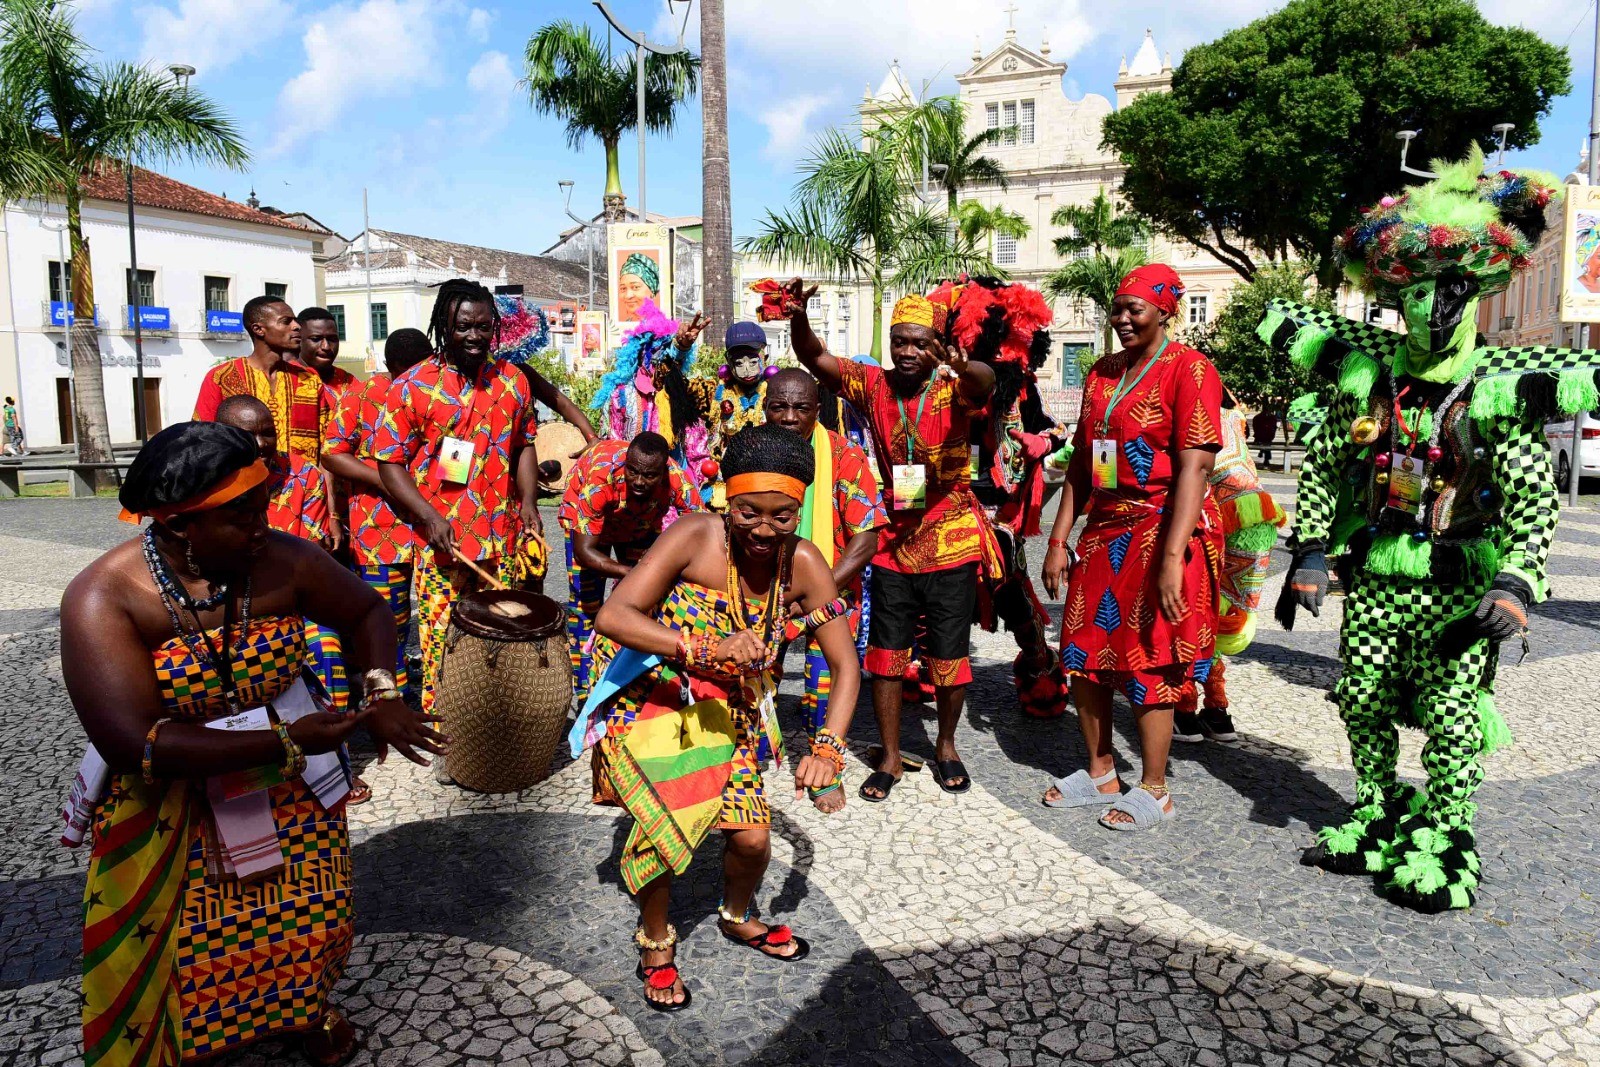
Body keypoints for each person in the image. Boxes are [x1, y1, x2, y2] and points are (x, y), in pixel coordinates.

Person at [62, 420, 443, 1067]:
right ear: (182, 525)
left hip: (286, 788)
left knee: (302, 914)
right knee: (183, 935)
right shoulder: (105, 596)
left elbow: (366, 612)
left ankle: (301, 1009)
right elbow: (137, 744)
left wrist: (380, 692)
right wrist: (282, 738)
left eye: (263, 506)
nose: (263, 526)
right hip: (169, 802)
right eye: (243, 516)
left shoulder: (279, 561)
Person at [1265, 150, 1574, 911]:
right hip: (1374, 579)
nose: (1432, 314)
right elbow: (1327, 464)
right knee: (1362, 695)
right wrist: (1309, 549)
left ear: (1471, 297)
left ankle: (1445, 830)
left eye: (1450, 296)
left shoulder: (1495, 389)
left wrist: (1517, 582)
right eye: (1418, 297)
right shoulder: (1368, 377)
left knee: (1450, 710)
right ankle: (1375, 808)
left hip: (1456, 584)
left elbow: (1536, 498)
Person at [572, 422, 861, 1012]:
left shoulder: (803, 563)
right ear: (727, 501)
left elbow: (845, 663)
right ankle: (655, 941)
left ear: (799, 512)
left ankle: (736, 915)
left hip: (736, 713)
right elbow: (616, 616)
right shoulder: (693, 535)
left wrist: (828, 750)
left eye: (781, 517)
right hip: (660, 700)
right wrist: (703, 649)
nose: (763, 529)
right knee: (662, 835)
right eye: (748, 512)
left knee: (753, 841)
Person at [787, 278, 999, 800]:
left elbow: (984, 383)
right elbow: (816, 358)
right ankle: (887, 754)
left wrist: (961, 362)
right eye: (899, 340)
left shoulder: (953, 386)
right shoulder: (873, 384)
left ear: (935, 346)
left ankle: (946, 746)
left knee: (949, 656)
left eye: (918, 342)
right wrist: (797, 315)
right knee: (885, 654)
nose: (907, 351)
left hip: (950, 533)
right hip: (894, 543)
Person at [1039, 264, 1224, 831]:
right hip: (1104, 532)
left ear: (1165, 311)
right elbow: (1081, 467)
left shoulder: (1190, 371)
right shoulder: (1102, 374)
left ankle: (1155, 787)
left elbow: (1195, 468)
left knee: (1151, 656)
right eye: (1116, 308)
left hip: (1164, 529)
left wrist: (1172, 559)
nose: (1121, 319)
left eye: (1134, 309)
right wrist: (1057, 537)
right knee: (1085, 654)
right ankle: (1100, 772)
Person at [372, 279, 540, 720]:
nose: (474, 336)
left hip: (501, 541)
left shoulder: (513, 381)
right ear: (445, 324)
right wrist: (426, 515)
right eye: (464, 326)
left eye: (484, 327)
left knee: (502, 634)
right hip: (442, 544)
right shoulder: (412, 386)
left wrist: (527, 501)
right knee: (443, 639)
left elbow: (524, 443)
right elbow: (390, 461)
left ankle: (498, 726)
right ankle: (448, 735)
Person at [947, 278, 1071, 719]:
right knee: (938, 590)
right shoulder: (943, 387)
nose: (999, 360)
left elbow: (1056, 431)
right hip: (946, 504)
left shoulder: (1024, 390)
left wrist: (1041, 442)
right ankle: (927, 670)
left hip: (1001, 511)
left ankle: (1041, 668)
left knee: (1010, 592)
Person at [763, 367, 886, 734]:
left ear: (818, 409)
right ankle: (746, 755)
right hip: (766, 592)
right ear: (764, 407)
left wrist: (815, 591)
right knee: (751, 683)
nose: (789, 417)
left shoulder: (846, 456)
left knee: (826, 694)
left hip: (833, 590)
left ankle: (825, 768)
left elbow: (866, 541)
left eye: (801, 408)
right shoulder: (751, 452)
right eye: (778, 407)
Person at [1172, 387, 1287, 743]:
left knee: (1195, 612)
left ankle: (1186, 707)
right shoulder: (1232, 416)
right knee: (1224, 613)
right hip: (1258, 520)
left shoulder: (1194, 417)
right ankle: (1217, 710)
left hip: (1224, 520)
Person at [323, 328, 432, 698]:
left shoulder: (440, 392)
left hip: (438, 525)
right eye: (407, 370)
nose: (415, 377)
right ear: (389, 367)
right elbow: (332, 453)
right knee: (386, 624)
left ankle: (442, 700)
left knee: (438, 622)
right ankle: (386, 704)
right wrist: (388, 481)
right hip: (379, 530)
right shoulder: (363, 395)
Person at [559, 431, 699, 701]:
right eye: (632, 471)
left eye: (649, 476)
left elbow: (701, 530)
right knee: (587, 608)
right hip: (589, 534)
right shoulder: (601, 477)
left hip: (639, 525)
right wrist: (631, 572)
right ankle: (585, 691)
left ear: (663, 471)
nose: (638, 481)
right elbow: (585, 552)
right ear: (626, 463)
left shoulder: (679, 481)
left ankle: (628, 680)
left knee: (637, 606)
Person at [591, 300, 713, 497]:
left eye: (665, 350)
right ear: (640, 353)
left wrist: (702, 487)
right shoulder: (621, 396)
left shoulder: (682, 394)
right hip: (633, 488)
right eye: (654, 349)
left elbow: (696, 447)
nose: (660, 357)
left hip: (673, 487)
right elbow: (613, 444)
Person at [193, 296, 323, 464]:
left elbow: (327, 446)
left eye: (295, 321)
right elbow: (202, 440)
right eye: (286, 321)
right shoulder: (222, 377)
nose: (297, 326)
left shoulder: (309, 380)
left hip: (305, 487)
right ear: (258, 329)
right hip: (243, 485)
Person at [688, 321, 777, 483]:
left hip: (768, 477)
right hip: (728, 478)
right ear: (729, 362)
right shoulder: (713, 393)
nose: (747, 370)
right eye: (739, 363)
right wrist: (683, 347)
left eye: (753, 362)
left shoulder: (777, 392)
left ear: (764, 357)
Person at [615, 252, 661, 324]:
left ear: (651, 291)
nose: (628, 295)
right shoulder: (622, 327)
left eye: (635, 287)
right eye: (623, 288)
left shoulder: (662, 331)